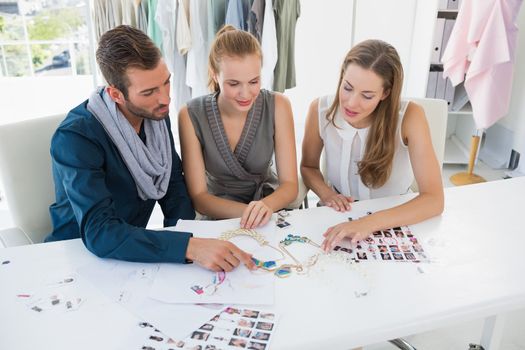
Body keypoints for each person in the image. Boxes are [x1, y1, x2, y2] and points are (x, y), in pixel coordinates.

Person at [45, 25, 255, 272]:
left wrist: (190, 237)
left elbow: (173, 184)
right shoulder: (75, 138)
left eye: (166, 83)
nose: (165, 98)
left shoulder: (155, 115)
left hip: (132, 252)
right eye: (149, 92)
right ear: (116, 94)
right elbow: (100, 232)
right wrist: (188, 246)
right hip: (77, 258)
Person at [300, 39, 444, 251]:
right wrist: (327, 194)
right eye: (347, 88)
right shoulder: (320, 110)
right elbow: (308, 167)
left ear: (385, 93)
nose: (351, 103)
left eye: (367, 96)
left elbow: (434, 200)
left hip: (394, 217)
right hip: (337, 215)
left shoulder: (410, 117)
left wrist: (368, 223)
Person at [178, 25, 298, 229]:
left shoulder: (279, 106)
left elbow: (290, 185)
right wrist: (251, 213)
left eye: (254, 81)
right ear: (214, 75)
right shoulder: (190, 115)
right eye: (234, 84)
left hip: (269, 208)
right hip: (220, 215)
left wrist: (265, 207)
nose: (246, 94)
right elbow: (199, 197)